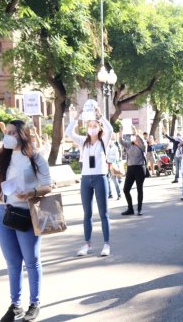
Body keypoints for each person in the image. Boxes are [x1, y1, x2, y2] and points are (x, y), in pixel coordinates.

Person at [0, 120, 52, 322]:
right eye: (6, 132)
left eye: (12, 133)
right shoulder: (2, 157)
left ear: (22, 135)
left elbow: (48, 185)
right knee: (12, 263)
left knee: (32, 261)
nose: (7, 136)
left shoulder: (35, 158)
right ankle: (15, 305)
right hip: (2, 212)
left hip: (26, 214)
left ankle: (34, 303)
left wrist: (31, 192)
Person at [66, 107, 113, 257]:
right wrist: (77, 116)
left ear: (99, 128)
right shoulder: (83, 142)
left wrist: (101, 115)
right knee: (87, 213)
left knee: (103, 213)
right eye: (89, 126)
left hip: (100, 178)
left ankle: (106, 244)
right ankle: (87, 244)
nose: (91, 128)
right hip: (86, 179)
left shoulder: (103, 141)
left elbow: (110, 129)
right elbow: (68, 132)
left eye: (95, 126)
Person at [118, 126, 147, 216]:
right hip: (130, 169)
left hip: (139, 168)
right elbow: (121, 141)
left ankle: (139, 209)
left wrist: (136, 133)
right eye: (132, 135)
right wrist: (121, 132)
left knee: (139, 189)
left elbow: (142, 141)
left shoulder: (142, 145)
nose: (133, 136)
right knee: (126, 189)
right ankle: (130, 209)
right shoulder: (129, 144)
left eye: (134, 135)